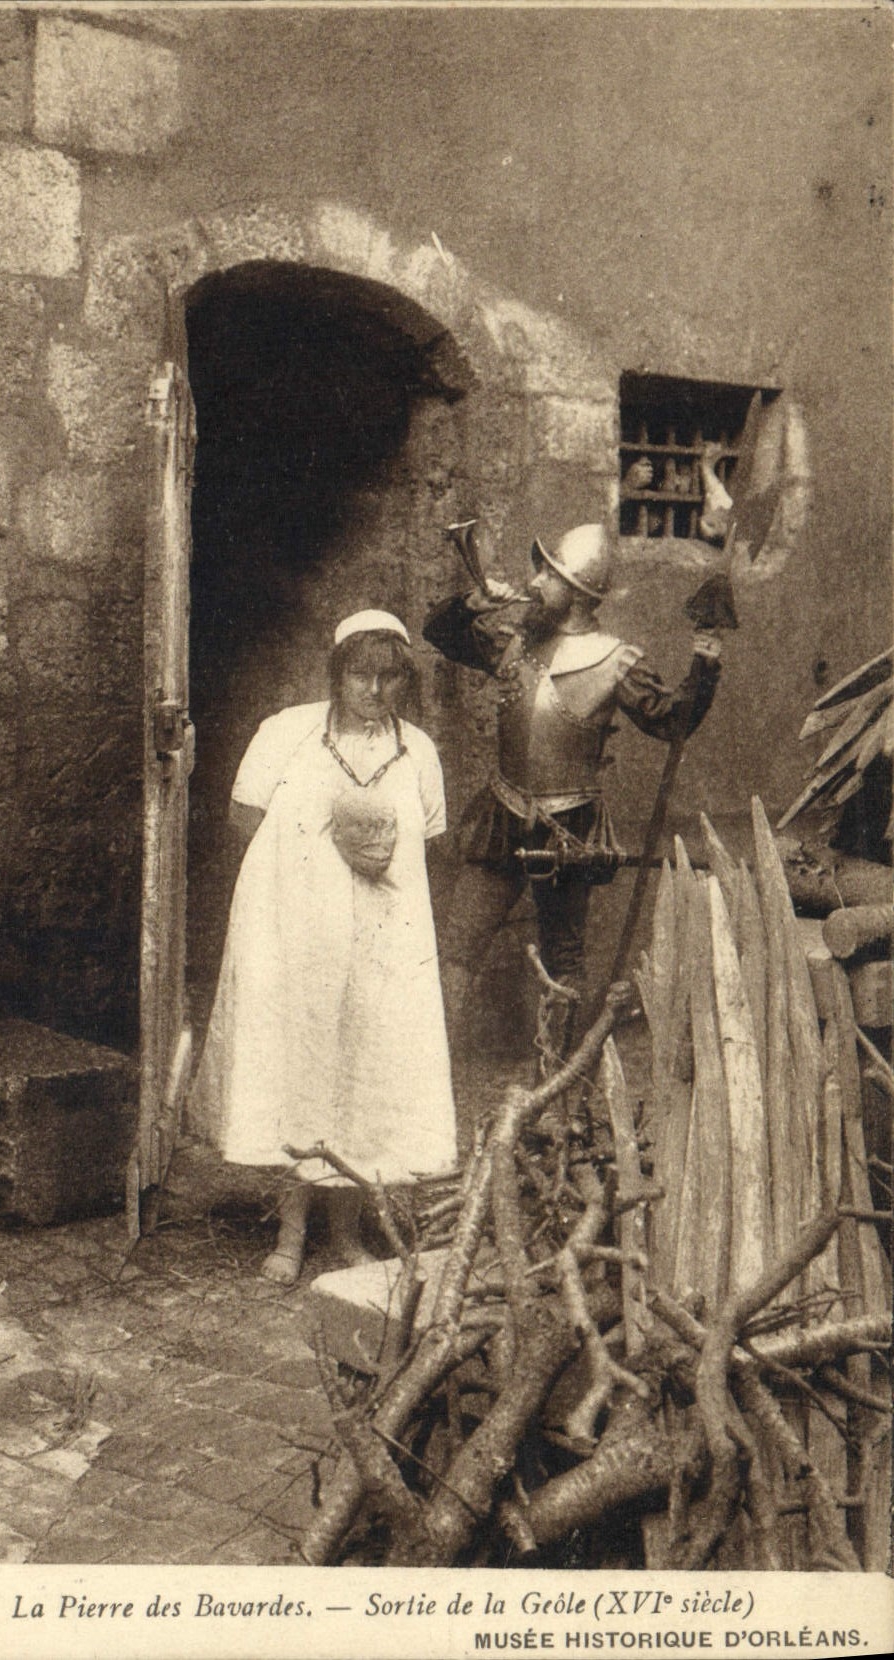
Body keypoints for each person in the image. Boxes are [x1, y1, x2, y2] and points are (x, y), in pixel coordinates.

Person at [188, 610, 457, 1285]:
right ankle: (290, 1228)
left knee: (364, 1071)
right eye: (359, 676)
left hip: (383, 936)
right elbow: (244, 818)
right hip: (297, 931)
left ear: (402, 682)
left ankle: (344, 1233)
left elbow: (425, 839)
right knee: (300, 1067)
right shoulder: (286, 734)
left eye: (387, 678)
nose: (372, 691)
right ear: (336, 674)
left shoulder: (416, 750)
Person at [424, 488, 725, 1050]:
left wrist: (705, 661)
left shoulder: (617, 661)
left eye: (550, 576)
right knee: (458, 942)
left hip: (569, 824)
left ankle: (555, 1080)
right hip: (503, 811)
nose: (535, 582)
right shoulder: (513, 642)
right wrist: (474, 603)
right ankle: (432, 1071)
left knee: (565, 957)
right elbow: (439, 634)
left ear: (581, 593)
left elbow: (671, 721)